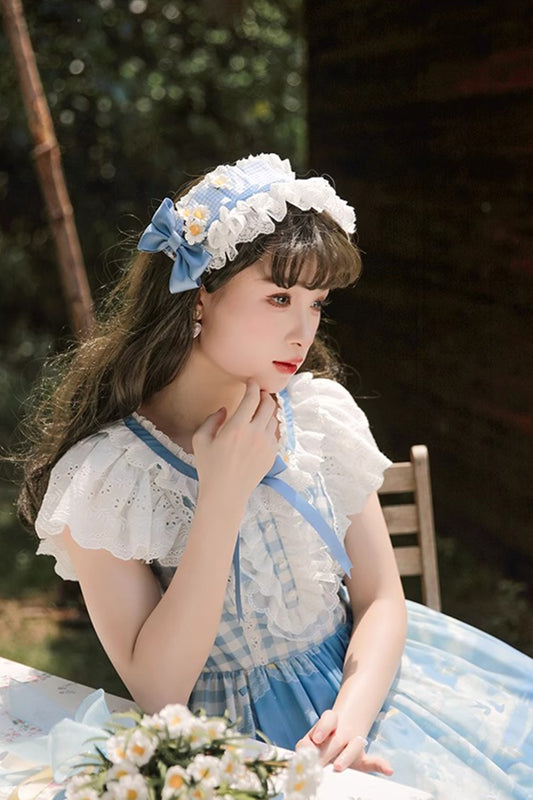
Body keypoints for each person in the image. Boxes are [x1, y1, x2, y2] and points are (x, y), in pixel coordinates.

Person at [18, 154, 533, 800]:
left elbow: (380, 598)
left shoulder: (317, 417)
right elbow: (158, 690)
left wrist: (351, 718)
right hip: (233, 754)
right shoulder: (111, 477)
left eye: (316, 303)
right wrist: (222, 494)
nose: (302, 330)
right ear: (199, 296)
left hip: (372, 702)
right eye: (279, 298)